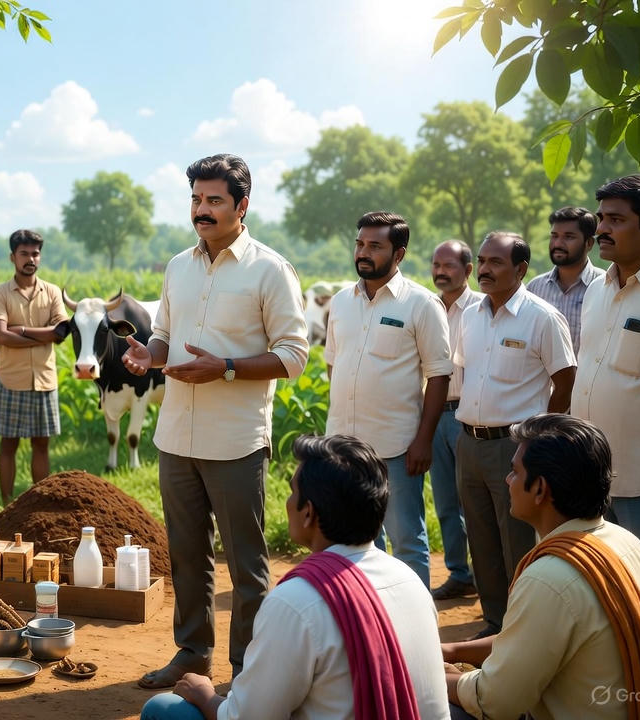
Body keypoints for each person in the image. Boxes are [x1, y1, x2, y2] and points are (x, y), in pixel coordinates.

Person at [123, 154, 309, 686]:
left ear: (241, 205)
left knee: (246, 565)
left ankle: (246, 668)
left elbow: (294, 355)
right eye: (196, 200)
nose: (201, 211)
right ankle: (192, 652)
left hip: (235, 439)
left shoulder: (270, 269)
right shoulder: (179, 265)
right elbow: (163, 334)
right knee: (186, 553)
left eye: (213, 201)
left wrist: (224, 368)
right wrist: (148, 356)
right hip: (177, 434)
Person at [141, 435, 448, 720]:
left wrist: (205, 696)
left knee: (163, 709)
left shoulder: (297, 601)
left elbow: (248, 717)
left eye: (292, 491)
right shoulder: (412, 584)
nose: (288, 502)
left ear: (308, 513)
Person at [444, 414, 640, 719]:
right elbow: (534, 638)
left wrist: (434, 676)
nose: (508, 481)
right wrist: (454, 653)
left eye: (514, 472)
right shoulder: (626, 542)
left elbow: (494, 701)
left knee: (428, 703)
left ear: (540, 489)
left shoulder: (549, 578)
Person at [455, 231, 575, 636]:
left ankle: (527, 632)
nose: (485, 270)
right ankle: (495, 624)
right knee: (483, 541)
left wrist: (538, 439)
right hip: (468, 444)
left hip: (515, 448)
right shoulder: (471, 314)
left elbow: (566, 378)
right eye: (483, 261)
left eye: (496, 263)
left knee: (518, 542)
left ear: (521, 269)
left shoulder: (542, 317)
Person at [325, 211, 452, 589]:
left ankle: (416, 633)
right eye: (360, 244)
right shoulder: (340, 302)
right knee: (358, 541)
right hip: (345, 448)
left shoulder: (422, 304)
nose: (363, 252)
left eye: (375, 246)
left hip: (397, 449)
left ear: (399, 254)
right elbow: (335, 365)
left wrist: (424, 440)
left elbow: (440, 375)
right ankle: (372, 620)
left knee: (408, 540)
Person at [573, 174, 640, 574]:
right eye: (600, 217)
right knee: (606, 587)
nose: (602, 228)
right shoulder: (596, 290)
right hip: (589, 477)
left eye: (615, 219)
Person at [0, 228, 68, 503]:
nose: (30, 259)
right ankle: (6, 503)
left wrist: (19, 330)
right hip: (12, 379)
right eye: (24, 253)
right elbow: (0, 336)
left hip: (44, 379)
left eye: (35, 253)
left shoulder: (53, 292)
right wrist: (41, 334)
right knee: (8, 444)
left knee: (41, 445)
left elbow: (61, 333)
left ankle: (39, 502)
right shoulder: (0, 293)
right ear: (13, 257)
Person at [427, 240, 480, 601]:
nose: (441, 272)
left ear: (468, 270)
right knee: (445, 501)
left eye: (449, 265)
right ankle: (459, 573)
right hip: (432, 414)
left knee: (477, 503)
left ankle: (489, 575)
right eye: (436, 265)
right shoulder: (424, 306)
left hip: (468, 415)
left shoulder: (481, 308)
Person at [526, 206, 603, 352]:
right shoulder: (534, 288)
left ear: (589, 243)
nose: (558, 244)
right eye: (554, 236)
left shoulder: (605, 286)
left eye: (568, 237)